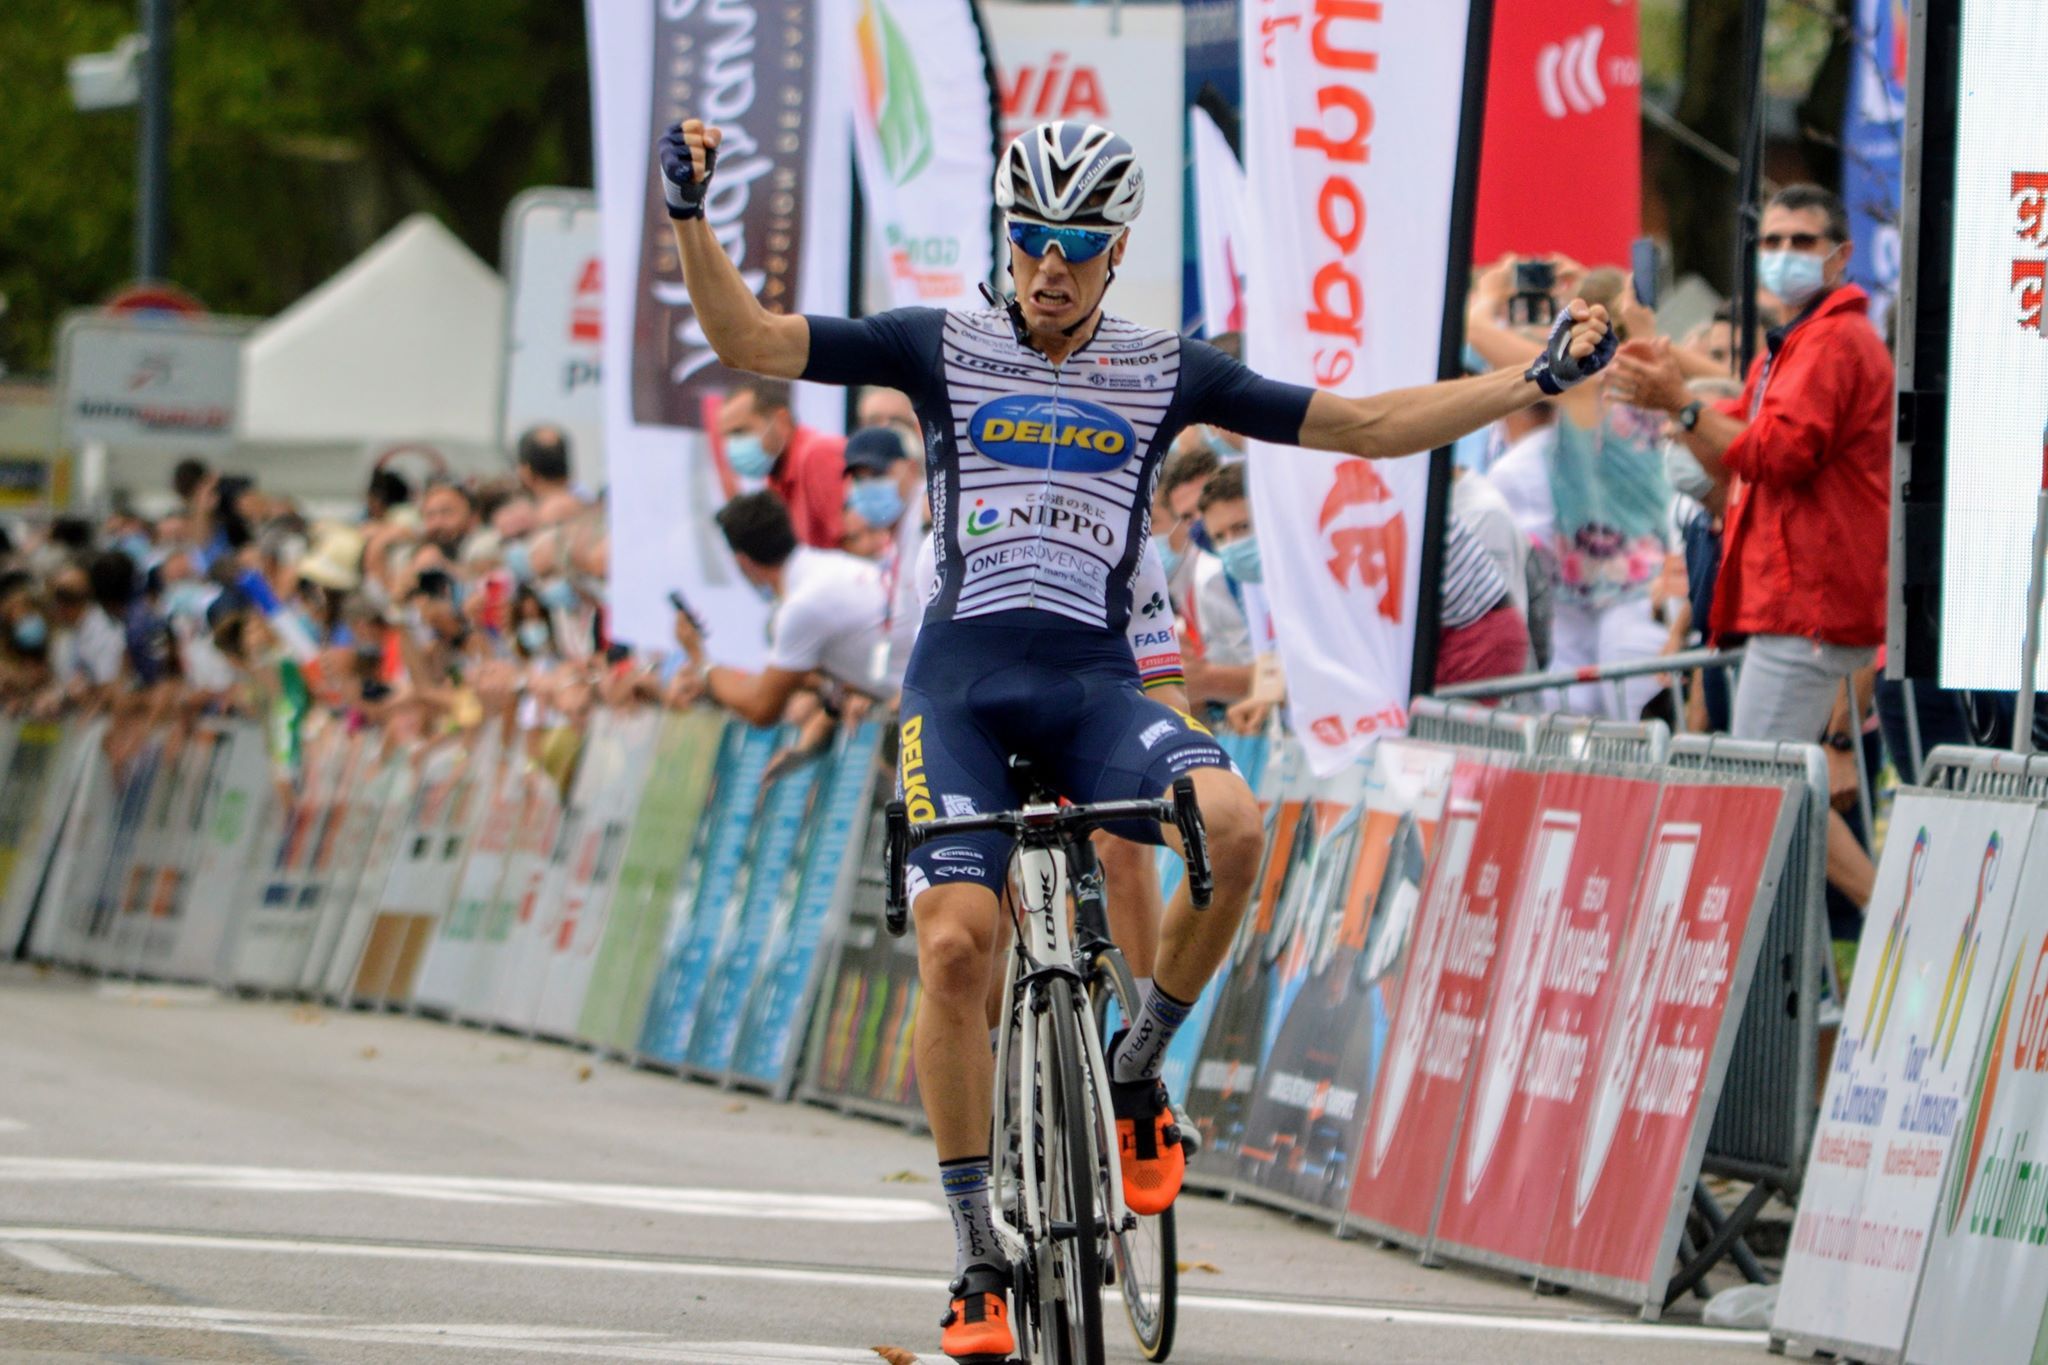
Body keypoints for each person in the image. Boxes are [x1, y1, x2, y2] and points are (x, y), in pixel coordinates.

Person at [656, 113, 1613, 1359]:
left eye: (1078, 245)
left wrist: (1523, 384)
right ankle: (973, 1254)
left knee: (1230, 822)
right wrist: (688, 216)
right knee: (954, 949)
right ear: (1006, 241)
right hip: (954, 690)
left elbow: (1368, 425)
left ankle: (1136, 1063)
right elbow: (749, 339)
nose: (1049, 266)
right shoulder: (933, 344)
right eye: (1030, 240)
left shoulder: (1168, 367)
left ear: (1115, 252)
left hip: (1094, 685)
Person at [1612, 184, 1891, 750]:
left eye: (1802, 240)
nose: (1784, 250)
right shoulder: (1795, 343)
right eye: (1772, 240)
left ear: (1841, 255)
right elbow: (1733, 429)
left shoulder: (1832, 342)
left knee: (1761, 786)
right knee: (1774, 789)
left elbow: (1774, 453)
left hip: (1806, 606)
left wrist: (1680, 404)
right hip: (1785, 602)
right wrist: (1672, 395)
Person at [669, 491, 889, 726]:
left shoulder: (799, 608)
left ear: (743, 561)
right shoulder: (829, 564)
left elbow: (760, 709)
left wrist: (699, 659)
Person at [716, 376, 847, 551]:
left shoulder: (818, 455)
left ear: (782, 421)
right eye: (728, 436)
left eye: (740, 431)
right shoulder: (775, 478)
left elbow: (857, 543)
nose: (732, 446)